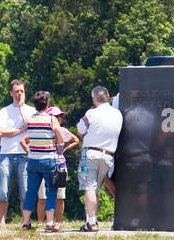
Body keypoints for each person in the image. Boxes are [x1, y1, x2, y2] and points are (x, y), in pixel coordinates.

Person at [76, 85, 123, 232]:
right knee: (96, 188)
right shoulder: (118, 114)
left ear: (93, 99)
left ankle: (91, 223)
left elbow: (80, 129)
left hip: (91, 154)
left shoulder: (91, 113)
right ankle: (97, 218)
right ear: (108, 97)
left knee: (89, 187)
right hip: (109, 156)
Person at [19, 91, 62, 232]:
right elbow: (60, 138)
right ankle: (49, 223)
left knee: (31, 191)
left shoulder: (30, 119)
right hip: (48, 159)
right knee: (51, 190)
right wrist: (59, 151)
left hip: (32, 159)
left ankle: (26, 222)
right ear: (47, 103)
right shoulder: (51, 119)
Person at [0, 79, 34, 225]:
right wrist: (20, 130)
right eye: (16, 91)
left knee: (25, 189)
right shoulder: (4, 111)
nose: (19, 94)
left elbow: (31, 127)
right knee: (3, 190)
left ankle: (26, 221)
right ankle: (2, 222)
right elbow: (1, 132)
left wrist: (22, 109)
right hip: (6, 153)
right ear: (11, 93)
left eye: (21, 91)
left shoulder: (31, 111)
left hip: (24, 154)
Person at [45, 105, 79, 227]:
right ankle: (42, 221)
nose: (59, 119)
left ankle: (58, 222)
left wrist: (66, 149)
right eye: (56, 116)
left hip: (60, 165)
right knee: (43, 197)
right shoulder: (44, 131)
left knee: (60, 197)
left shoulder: (63, 130)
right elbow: (26, 140)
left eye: (60, 117)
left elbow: (76, 140)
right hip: (46, 164)